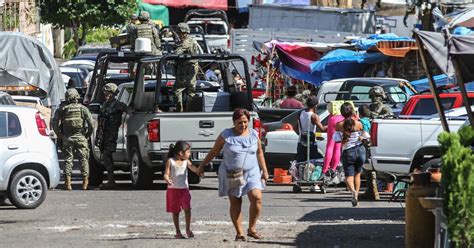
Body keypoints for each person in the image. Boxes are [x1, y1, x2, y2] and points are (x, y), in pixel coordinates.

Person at [198, 108, 269, 241]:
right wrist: (202, 166)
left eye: (245, 122)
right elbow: (214, 152)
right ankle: (239, 232)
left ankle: (252, 228)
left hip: (252, 172)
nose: (243, 125)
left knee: (257, 197)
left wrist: (264, 171)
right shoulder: (226, 135)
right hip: (233, 172)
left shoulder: (254, 134)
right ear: (234, 122)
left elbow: (259, 153)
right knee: (236, 201)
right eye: (239, 122)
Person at [52, 88, 94, 191]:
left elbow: (54, 123)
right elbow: (91, 124)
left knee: (68, 159)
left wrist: (60, 135)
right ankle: (85, 182)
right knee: (84, 159)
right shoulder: (82, 109)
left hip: (67, 138)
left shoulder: (62, 109)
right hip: (81, 137)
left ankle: (68, 183)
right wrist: (87, 135)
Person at [164, 141, 201, 239]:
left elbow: (193, 168)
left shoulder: (186, 162)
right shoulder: (170, 161)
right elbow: (166, 173)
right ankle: (178, 231)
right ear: (181, 153)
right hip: (173, 191)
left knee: (187, 209)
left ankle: (188, 229)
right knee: (175, 212)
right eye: (188, 152)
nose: (189, 154)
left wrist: (199, 171)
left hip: (184, 190)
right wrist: (167, 179)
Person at [96, 83, 127, 188]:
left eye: (108, 92)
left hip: (111, 135)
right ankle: (110, 180)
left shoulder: (118, 105)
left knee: (107, 156)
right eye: (105, 92)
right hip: (103, 134)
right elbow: (100, 121)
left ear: (114, 93)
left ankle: (111, 180)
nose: (106, 94)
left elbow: (130, 111)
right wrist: (98, 136)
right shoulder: (104, 104)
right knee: (105, 157)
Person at [334, 102, 366, 207]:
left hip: (348, 152)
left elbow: (337, 140)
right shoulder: (359, 123)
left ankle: (353, 192)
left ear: (342, 113)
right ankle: (356, 195)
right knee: (357, 174)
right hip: (360, 150)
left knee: (349, 176)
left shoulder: (339, 125)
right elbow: (365, 135)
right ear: (352, 111)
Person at [174, 22, 200, 112]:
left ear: (185, 33)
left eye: (180, 33)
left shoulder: (188, 41)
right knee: (185, 91)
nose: (179, 35)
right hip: (187, 67)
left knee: (183, 91)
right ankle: (185, 110)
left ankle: (184, 111)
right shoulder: (188, 40)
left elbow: (178, 52)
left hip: (188, 68)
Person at [297, 96, 327, 162]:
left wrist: (301, 134)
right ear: (315, 106)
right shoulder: (314, 116)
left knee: (300, 163)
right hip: (311, 144)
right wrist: (332, 124)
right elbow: (322, 129)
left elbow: (296, 127)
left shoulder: (300, 113)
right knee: (311, 164)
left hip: (301, 142)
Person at [322, 101, 345, 176]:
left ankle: (325, 169)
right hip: (341, 118)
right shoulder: (343, 116)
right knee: (338, 147)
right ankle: (333, 168)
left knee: (330, 146)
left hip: (333, 119)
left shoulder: (331, 117)